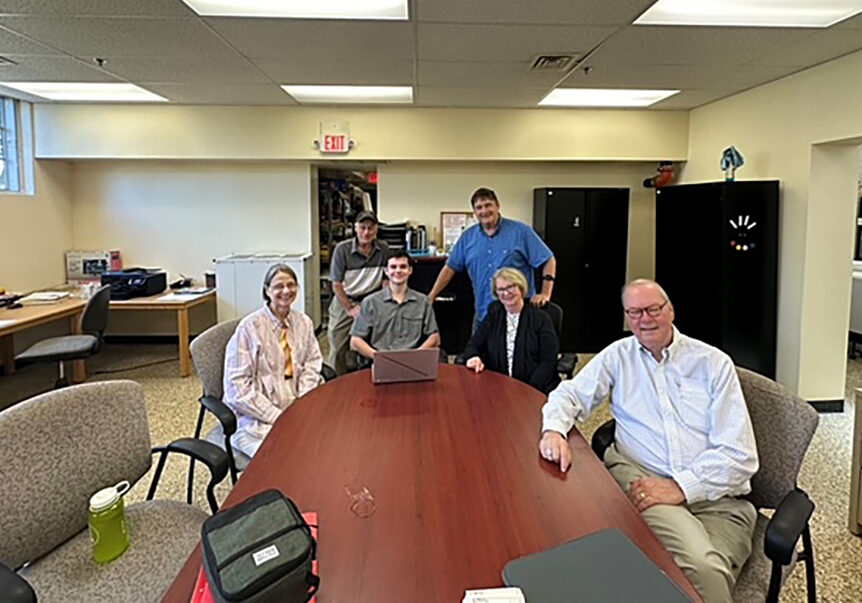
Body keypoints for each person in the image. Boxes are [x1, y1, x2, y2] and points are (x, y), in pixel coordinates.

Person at [538, 279, 758, 603]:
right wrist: (554, 430)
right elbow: (569, 394)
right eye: (635, 312)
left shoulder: (712, 363)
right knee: (703, 569)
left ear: (670, 310)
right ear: (627, 318)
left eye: (653, 309)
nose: (645, 319)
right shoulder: (618, 355)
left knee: (686, 577)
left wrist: (681, 487)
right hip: (647, 480)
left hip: (720, 501)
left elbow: (741, 456)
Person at [223, 264, 324, 458]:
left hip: (296, 401)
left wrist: (304, 401)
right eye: (278, 286)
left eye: (291, 285)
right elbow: (237, 388)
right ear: (267, 290)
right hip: (257, 416)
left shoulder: (303, 322)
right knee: (282, 458)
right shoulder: (250, 328)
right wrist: (277, 416)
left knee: (321, 448)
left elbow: (312, 362)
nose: (286, 291)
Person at [428, 187, 556, 330]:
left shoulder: (521, 232)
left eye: (488, 205)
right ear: (475, 212)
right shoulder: (468, 237)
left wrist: (545, 294)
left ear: (497, 206)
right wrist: (432, 296)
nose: (484, 211)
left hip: (518, 316)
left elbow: (548, 259)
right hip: (484, 315)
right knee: (476, 352)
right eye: (479, 207)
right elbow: (450, 268)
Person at [461, 267, 560, 394]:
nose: (506, 293)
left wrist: (528, 388)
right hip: (498, 387)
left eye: (511, 287)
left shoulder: (540, 318)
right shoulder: (494, 316)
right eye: (501, 289)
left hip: (535, 388)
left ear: (521, 287)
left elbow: (548, 361)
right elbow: (473, 345)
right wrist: (473, 357)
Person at [328, 210, 390, 374]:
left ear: (376, 230)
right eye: (362, 227)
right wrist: (349, 308)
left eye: (370, 228)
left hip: (371, 299)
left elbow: (386, 279)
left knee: (378, 341)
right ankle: (336, 382)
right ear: (355, 228)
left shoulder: (384, 249)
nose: (366, 232)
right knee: (337, 342)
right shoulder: (342, 250)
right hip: (345, 299)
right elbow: (336, 284)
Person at [350, 249, 440, 359]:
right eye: (393, 267)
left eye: (403, 267)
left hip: (413, 361)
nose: (398, 271)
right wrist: (377, 356)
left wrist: (416, 355)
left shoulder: (423, 302)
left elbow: (435, 337)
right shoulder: (370, 302)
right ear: (386, 271)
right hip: (379, 360)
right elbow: (356, 340)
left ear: (410, 270)